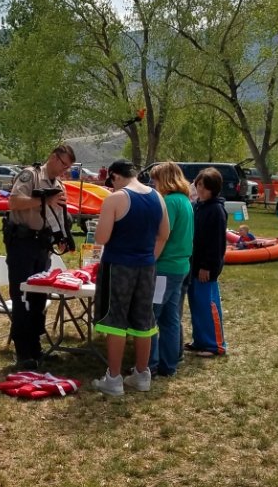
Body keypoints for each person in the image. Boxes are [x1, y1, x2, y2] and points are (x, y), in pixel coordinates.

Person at [91, 159, 168, 396]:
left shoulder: (115, 199)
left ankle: (113, 378)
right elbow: (164, 234)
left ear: (114, 176)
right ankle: (142, 374)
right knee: (144, 321)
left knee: (116, 321)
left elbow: (101, 238)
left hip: (119, 266)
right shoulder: (158, 197)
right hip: (146, 267)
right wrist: (149, 258)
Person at [4, 144, 76, 369]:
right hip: (22, 245)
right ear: (53, 157)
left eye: (68, 167)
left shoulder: (58, 184)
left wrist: (63, 234)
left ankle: (36, 348)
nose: (65, 171)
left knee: (39, 299)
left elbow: (57, 213)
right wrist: (44, 201)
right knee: (22, 297)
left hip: (42, 245)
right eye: (63, 164)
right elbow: (14, 202)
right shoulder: (31, 175)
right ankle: (22, 352)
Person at [145, 161, 193, 378]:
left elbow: (162, 235)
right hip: (180, 266)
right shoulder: (185, 200)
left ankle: (151, 364)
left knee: (151, 316)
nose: (153, 185)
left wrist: (150, 259)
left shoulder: (170, 202)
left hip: (165, 266)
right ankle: (169, 364)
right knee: (170, 317)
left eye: (155, 181)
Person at [185, 167, 228, 357]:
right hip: (193, 265)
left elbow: (216, 243)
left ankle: (215, 345)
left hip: (206, 267)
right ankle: (200, 340)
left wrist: (207, 267)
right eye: (199, 185)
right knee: (196, 304)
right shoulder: (197, 206)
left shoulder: (216, 210)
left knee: (208, 304)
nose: (200, 189)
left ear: (214, 188)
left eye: (205, 186)